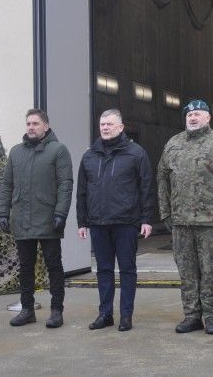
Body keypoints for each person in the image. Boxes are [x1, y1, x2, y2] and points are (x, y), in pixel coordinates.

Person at [157, 99, 213, 335]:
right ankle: (191, 315)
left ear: (208, 118)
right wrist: (166, 212)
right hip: (181, 222)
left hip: (210, 222)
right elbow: (162, 180)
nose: (192, 118)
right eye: (189, 115)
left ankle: (211, 315)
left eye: (198, 114)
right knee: (186, 272)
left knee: (210, 271)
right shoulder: (173, 144)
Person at [76, 109, 155, 332]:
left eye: (110, 124)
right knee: (103, 270)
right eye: (102, 124)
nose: (105, 127)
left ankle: (126, 315)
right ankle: (105, 314)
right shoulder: (89, 156)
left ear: (121, 127)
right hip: (98, 223)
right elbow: (82, 191)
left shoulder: (136, 153)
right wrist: (82, 221)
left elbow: (146, 188)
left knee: (127, 269)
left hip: (126, 222)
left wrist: (146, 219)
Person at [0, 108, 74, 328]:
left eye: (35, 124)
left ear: (46, 126)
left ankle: (57, 311)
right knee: (25, 266)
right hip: (21, 218)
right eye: (28, 124)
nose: (31, 127)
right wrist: (3, 212)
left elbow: (65, 185)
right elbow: (7, 185)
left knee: (53, 266)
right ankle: (27, 309)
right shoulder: (16, 152)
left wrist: (60, 213)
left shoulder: (58, 151)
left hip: (48, 218)